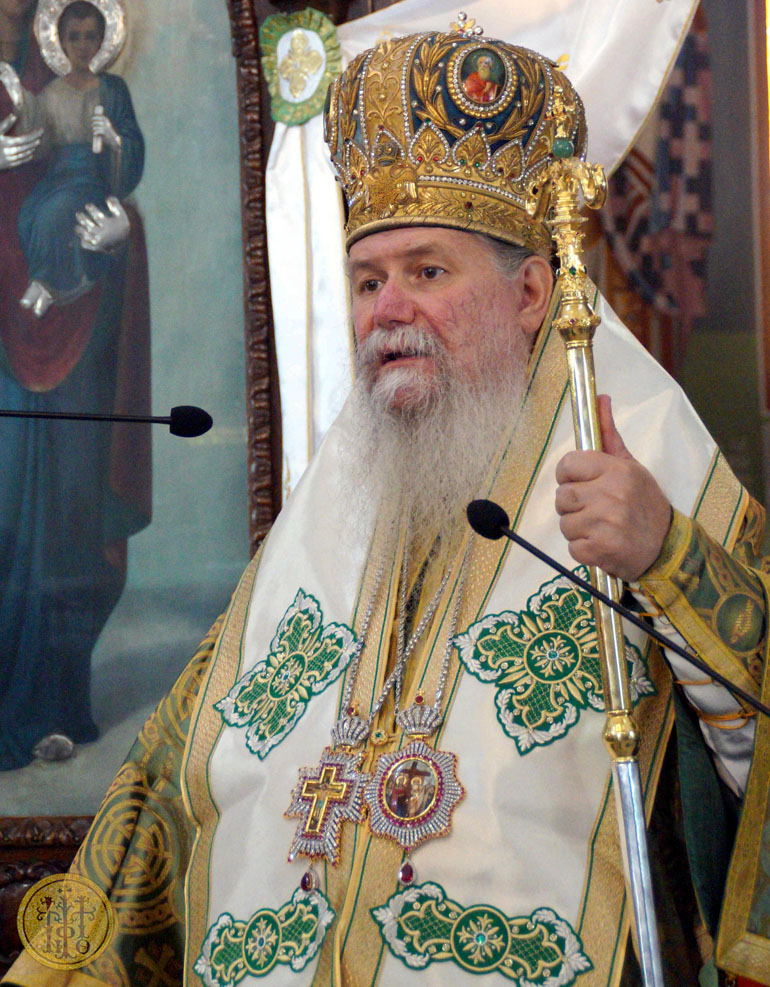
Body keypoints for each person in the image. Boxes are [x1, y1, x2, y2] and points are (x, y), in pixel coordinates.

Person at [3, 27, 768, 987]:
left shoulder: (643, 447)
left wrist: (668, 559)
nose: (387, 310)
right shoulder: (335, 494)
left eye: (427, 272)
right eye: (368, 281)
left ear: (533, 290)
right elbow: (172, 783)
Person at [0, 0, 151, 772]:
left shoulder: (96, 97)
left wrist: (121, 230)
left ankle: (55, 704)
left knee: (66, 518)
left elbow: (121, 180)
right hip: (9, 350)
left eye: (17, 12)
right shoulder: (29, 103)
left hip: (75, 339)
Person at [17, 0, 144, 318]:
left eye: (90, 37)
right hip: (58, 178)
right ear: (62, 41)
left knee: (56, 213)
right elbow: (40, 148)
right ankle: (43, 284)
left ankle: (48, 285)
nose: (82, 45)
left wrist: (115, 140)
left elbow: (131, 142)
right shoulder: (50, 94)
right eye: (74, 37)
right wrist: (27, 111)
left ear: (101, 42)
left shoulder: (113, 89)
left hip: (93, 178)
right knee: (29, 215)